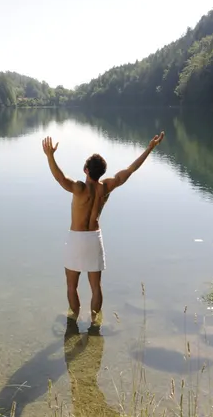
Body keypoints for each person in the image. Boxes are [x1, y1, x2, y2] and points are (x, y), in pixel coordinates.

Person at [42, 131, 165, 324]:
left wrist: (50, 156)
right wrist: (149, 148)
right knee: (96, 287)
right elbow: (131, 169)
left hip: (76, 238)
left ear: (86, 170)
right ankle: (94, 323)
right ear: (101, 172)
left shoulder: (79, 188)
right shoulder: (106, 187)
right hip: (94, 238)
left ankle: (73, 321)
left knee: (71, 285)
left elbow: (60, 178)